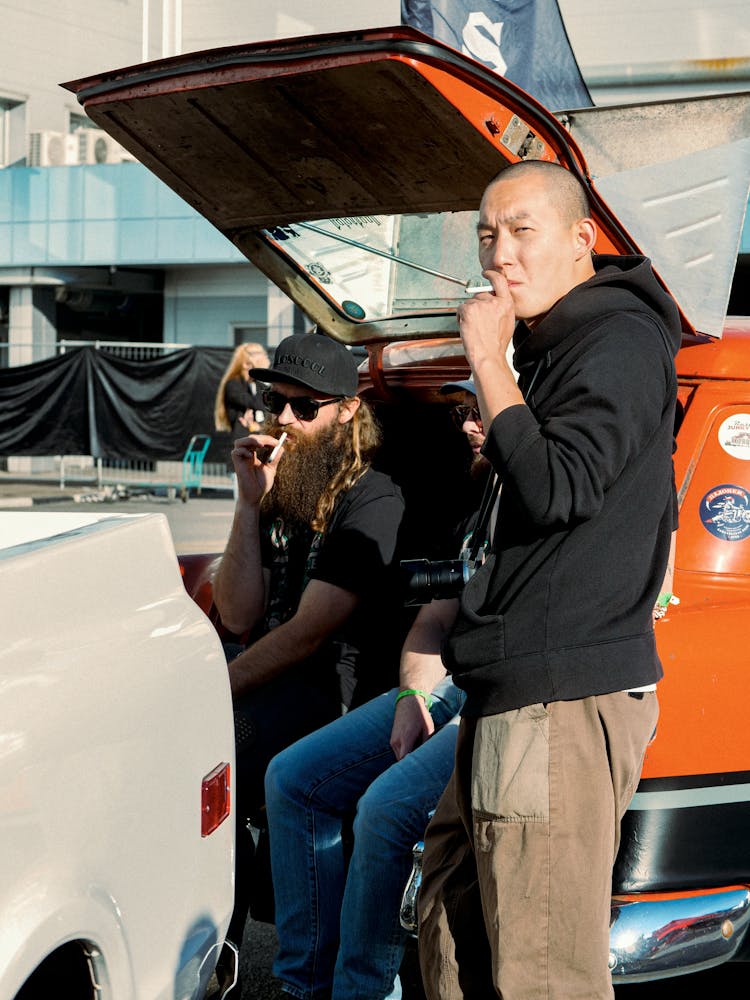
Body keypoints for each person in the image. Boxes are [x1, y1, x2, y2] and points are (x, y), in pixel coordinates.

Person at [417, 160, 681, 1000]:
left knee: (541, 973)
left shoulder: (618, 340)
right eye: (488, 235)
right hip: (513, 688)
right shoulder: (554, 349)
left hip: (558, 697)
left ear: (581, 240)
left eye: (523, 231)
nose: (501, 256)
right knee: (454, 934)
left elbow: (561, 486)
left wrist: (490, 367)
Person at [263, 380, 491, 1000]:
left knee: (385, 810)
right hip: (449, 685)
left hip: (511, 693)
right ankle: (303, 985)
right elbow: (434, 620)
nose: (467, 426)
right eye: (463, 412)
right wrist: (411, 698)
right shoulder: (482, 500)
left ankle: (361, 991)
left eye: (479, 411)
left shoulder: (547, 491)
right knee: (291, 778)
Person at [212, 330, 406, 951]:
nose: (286, 421)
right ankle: (221, 956)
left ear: (348, 411)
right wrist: (248, 504)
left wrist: (211, 689)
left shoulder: (374, 496)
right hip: (273, 678)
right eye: (278, 405)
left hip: (337, 692)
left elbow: (307, 635)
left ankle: (280, 964)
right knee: (197, 767)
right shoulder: (280, 484)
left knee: (215, 744)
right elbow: (238, 612)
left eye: (305, 407)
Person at [214, 341, 271, 438]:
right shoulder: (233, 385)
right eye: (259, 354)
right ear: (245, 364)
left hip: (258, 437)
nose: (265, 357)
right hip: (240, 440)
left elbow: (270, 408)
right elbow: (258, 404)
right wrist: (262, 373)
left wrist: (259, 426)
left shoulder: (258, 385)